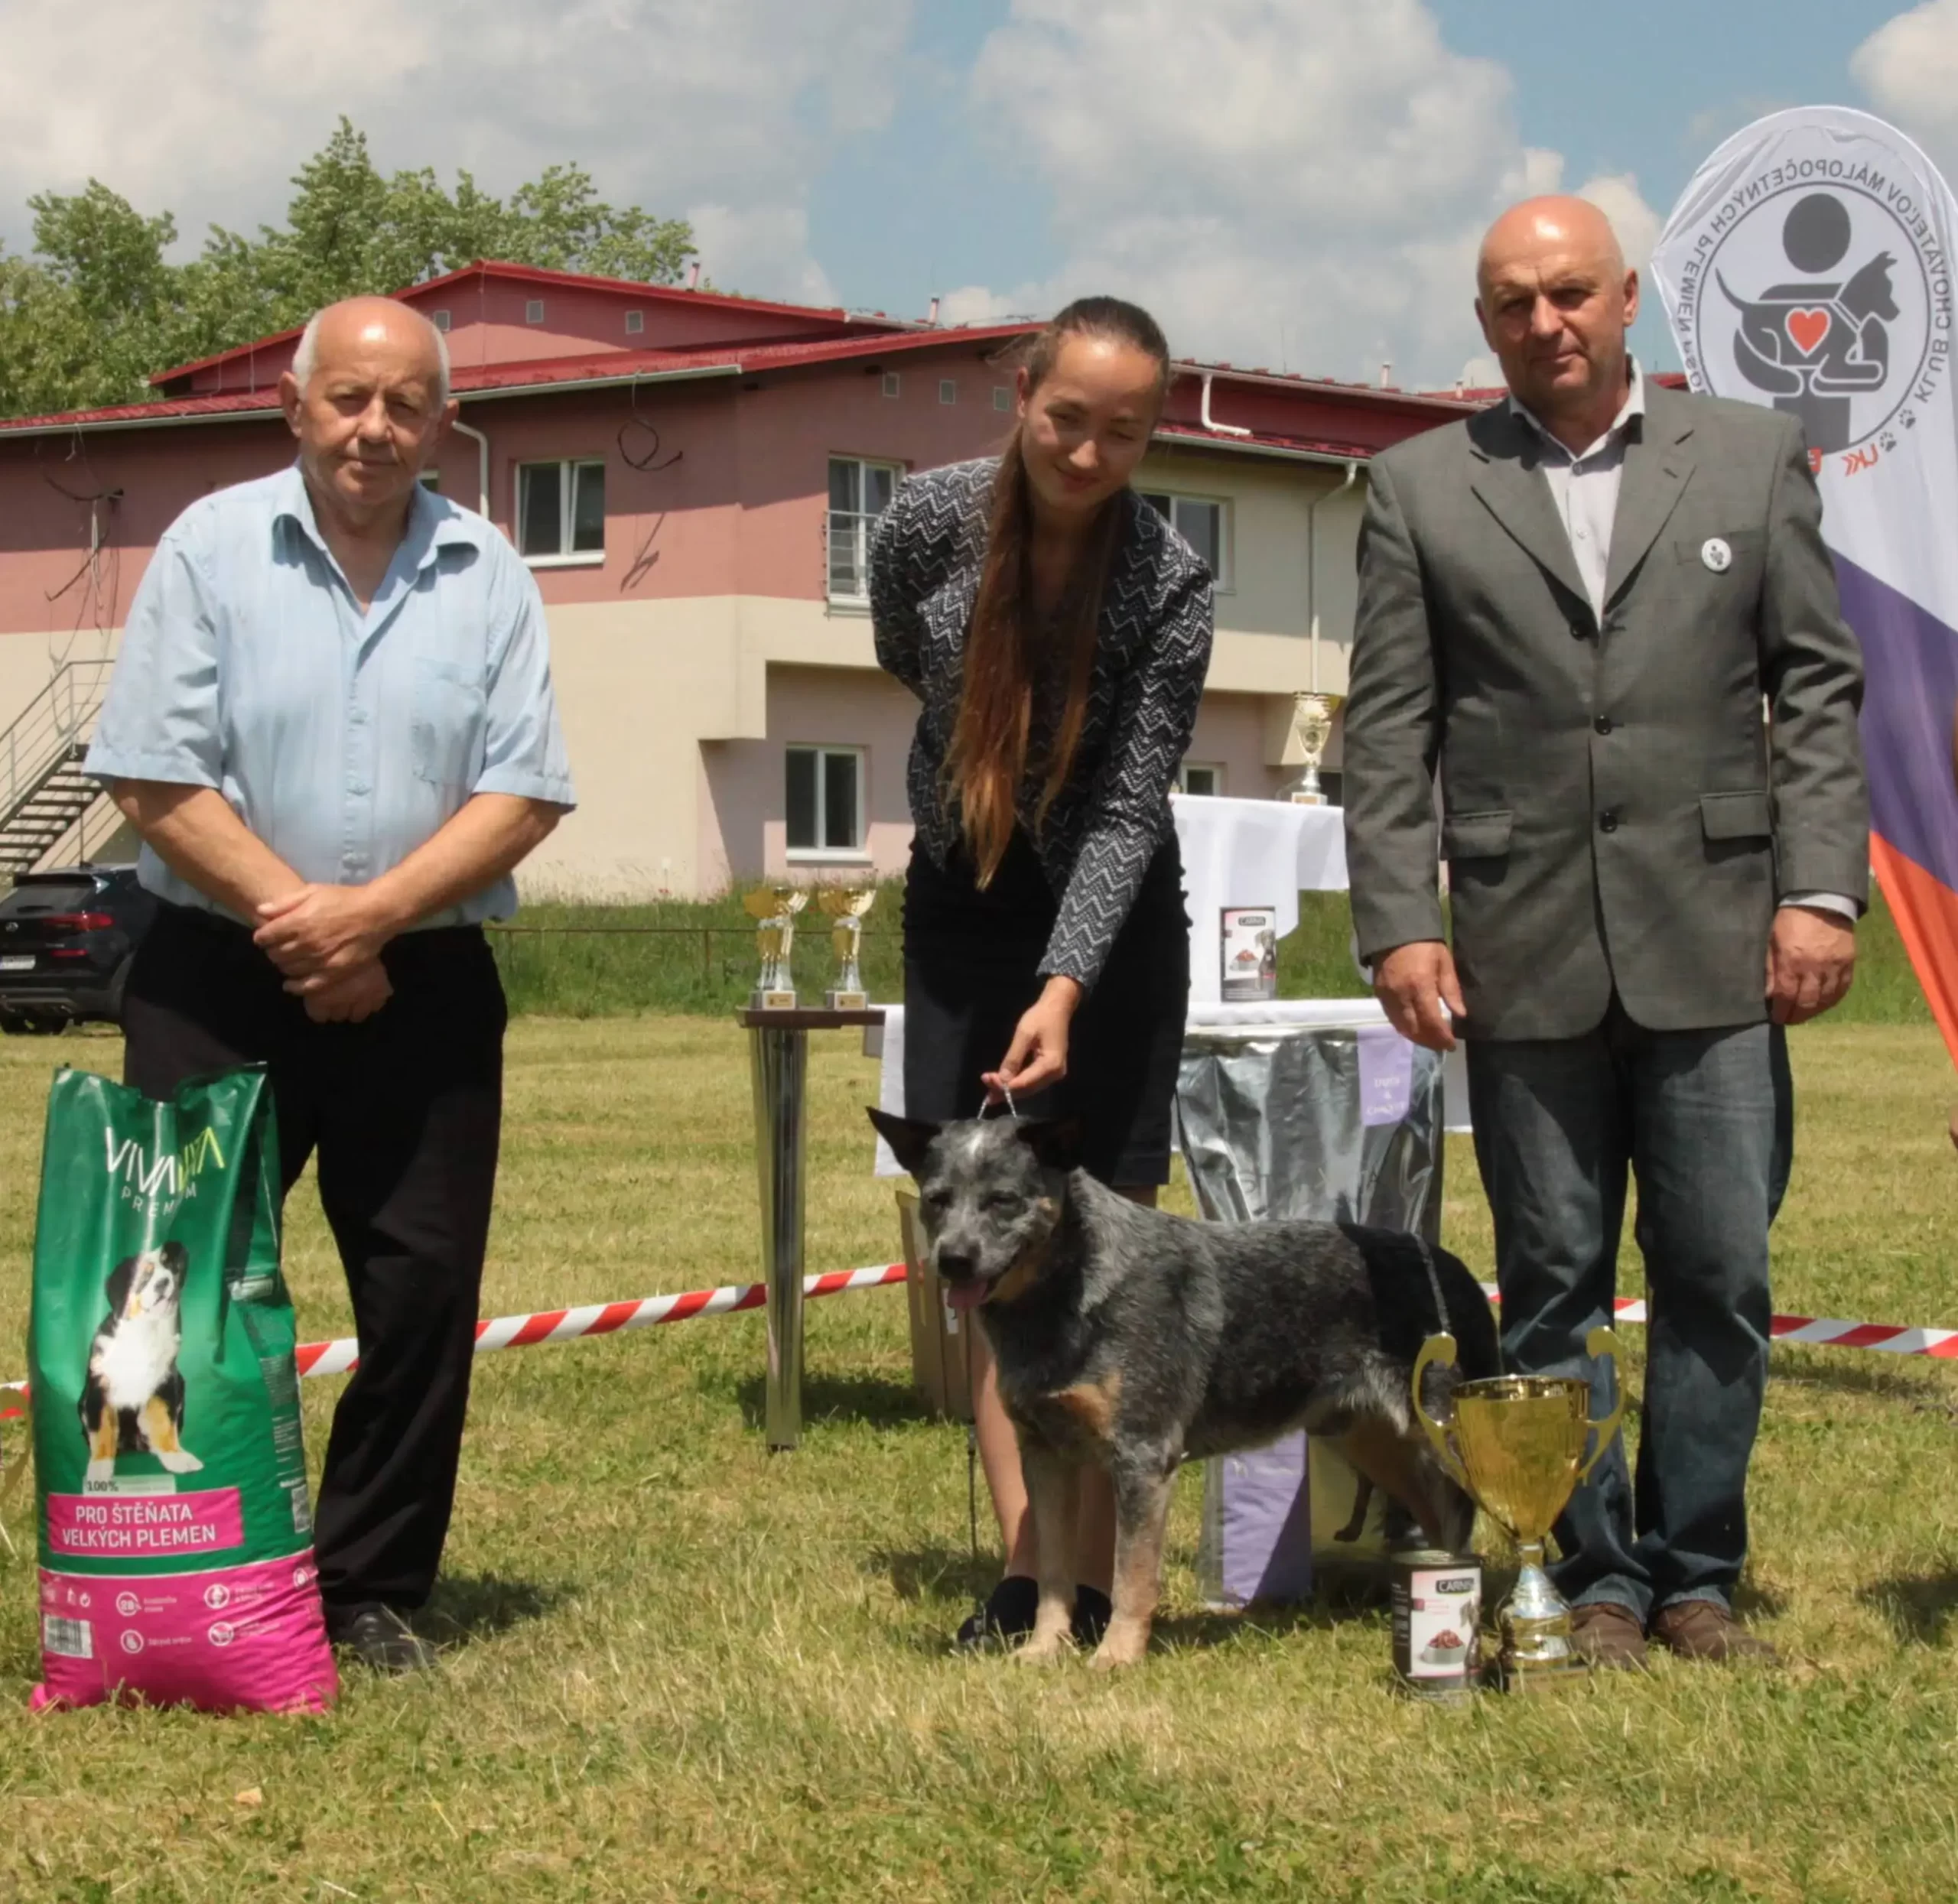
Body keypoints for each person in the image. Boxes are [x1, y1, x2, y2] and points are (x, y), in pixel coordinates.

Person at [1342, 197, 1869, 1668]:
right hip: (1518, 949)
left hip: (1719, 941)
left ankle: (1699, 1571)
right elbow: (1388, 732)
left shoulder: (1754, 458)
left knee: (1719, 1272)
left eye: (1570, 293)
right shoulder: (1417, 488)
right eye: (1511, 302)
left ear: (1629, 299)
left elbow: (1817, 688)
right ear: (1484, 321)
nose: (1544, 322)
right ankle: (1591, 1580)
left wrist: (1817, 890)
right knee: (1551, 1277)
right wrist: (1398, 920)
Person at [86, 296, 576, 1674]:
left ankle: (365, 1583)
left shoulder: (490, 570)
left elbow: (524, 787)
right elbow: (151, 769)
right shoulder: (208, 547)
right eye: (348, 398)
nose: (374, 427)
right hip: (211, 974)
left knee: (418, 1296)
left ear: (441, 423)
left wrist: (369, 925)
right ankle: (176, 1555)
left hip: (423, 985)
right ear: (295, 407)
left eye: (404, 404)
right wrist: (305, 925)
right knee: (171, 1282)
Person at [870, 297, 1213, 1649]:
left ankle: (1077, 1567)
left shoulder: (1172, 582)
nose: (1089, 451)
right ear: (1022, 391)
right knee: (976, 1226)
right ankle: (1029, 1570)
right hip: (964, 894)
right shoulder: (924, 521)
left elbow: (1129, 811)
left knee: (1099, 1251)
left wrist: (1067, 985)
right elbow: (910, 654)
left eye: (1124, 432)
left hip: (1115, 923)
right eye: (1068, 418)